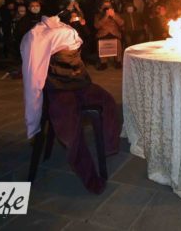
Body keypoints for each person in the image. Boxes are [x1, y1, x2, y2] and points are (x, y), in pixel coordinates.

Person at [21, 15, 120, 193]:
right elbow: (32, 80)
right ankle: (89, 177)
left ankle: (108, 147)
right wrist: (33, 123)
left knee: (107, 101)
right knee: (70, 129)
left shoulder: (66, 28)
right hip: (58, 88)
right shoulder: (36, 37)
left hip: (80, 83)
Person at [94, 0, 124, 70]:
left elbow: (121, 23)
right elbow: (97, 26)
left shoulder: (116, 14)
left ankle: (118, 62)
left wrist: (114, 16)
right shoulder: (98, 15)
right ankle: (103, 63)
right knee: (101, 44)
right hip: (103, 34)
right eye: (105, 6)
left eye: (109, 6)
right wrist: (106, 16)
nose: (107, 7)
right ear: (101, 7)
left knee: (118, 43)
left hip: (114, 33)